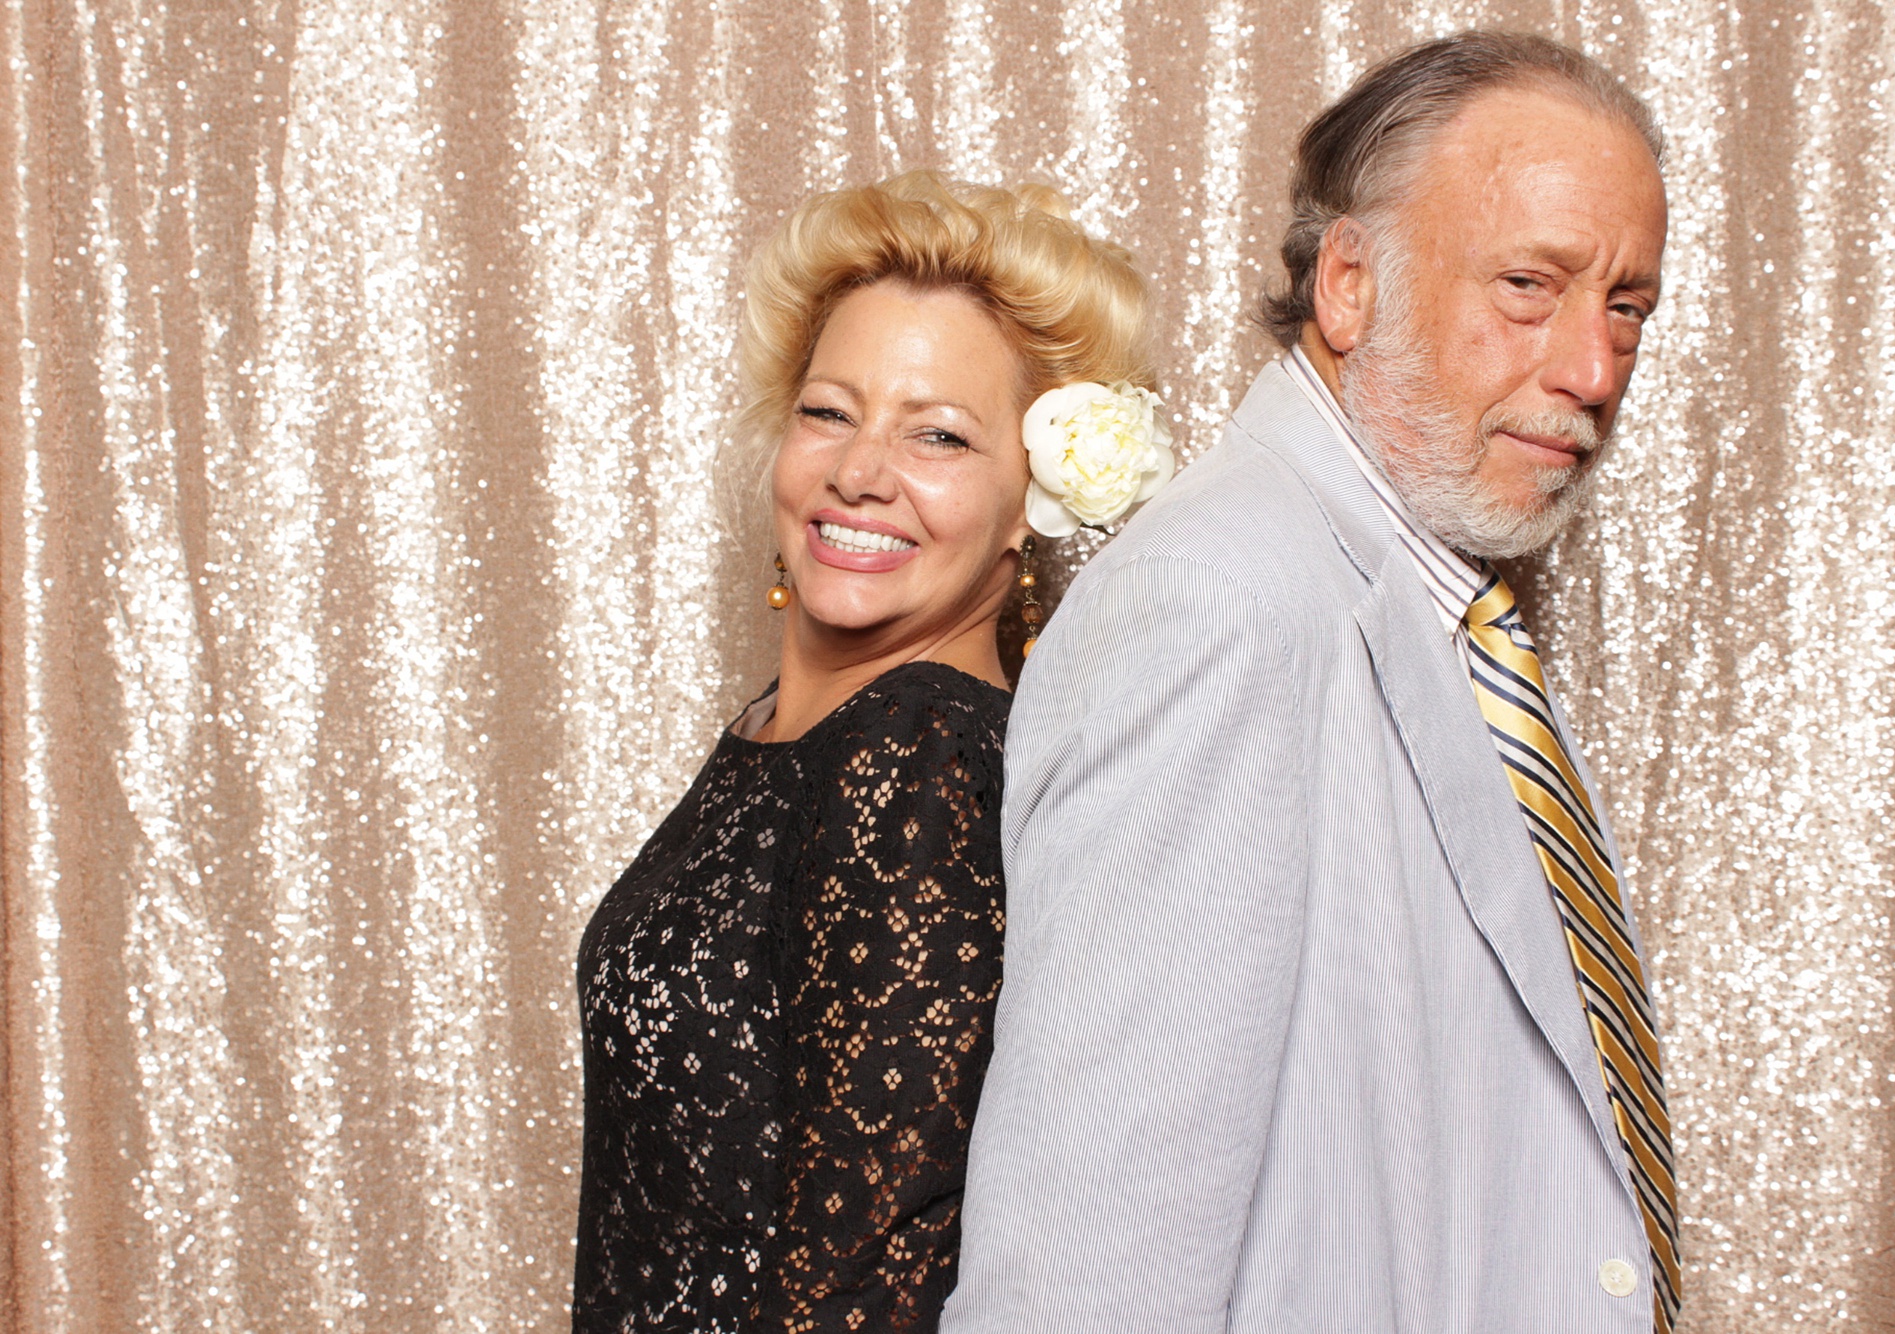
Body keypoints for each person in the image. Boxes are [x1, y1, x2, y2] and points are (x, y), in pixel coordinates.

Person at [944, 31, 1681, 1334]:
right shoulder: (1224, 604)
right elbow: (1081, 1285)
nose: (1593, 370)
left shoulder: (1436, 593)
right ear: (1348, 284)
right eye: (1530, 284)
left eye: (1627, 305)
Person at [571, 171, 1170, 1332]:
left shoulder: (916, 758)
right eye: (828, 410)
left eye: (937, 433)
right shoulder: (786, 733)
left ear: (1028, 505)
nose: (858, 470)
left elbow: (865, 1283)